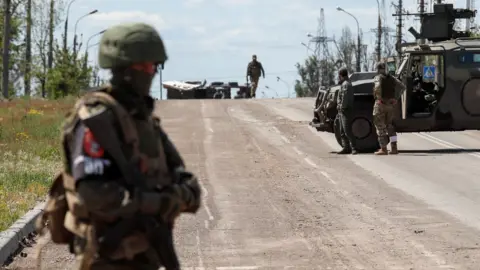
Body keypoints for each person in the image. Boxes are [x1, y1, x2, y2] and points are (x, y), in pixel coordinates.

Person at [37, 22, 202, 270]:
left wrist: (179, 195)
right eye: (143, 66)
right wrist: (157, 202)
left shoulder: (142, 119)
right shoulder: (97, 120)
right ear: (123, 68)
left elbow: (184, 179)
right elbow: (93, 195)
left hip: (146, 254)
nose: (151, 72)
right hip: (107, 257)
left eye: (153, 66)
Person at [372, 62, 406, 155]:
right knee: (390, 126)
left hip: (381, 104)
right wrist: (395, 98)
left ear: (378, 69)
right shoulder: (392, 78)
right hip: (390, 105)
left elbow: (378, 87)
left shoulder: (378, 78)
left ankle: (383, 149)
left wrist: (379, 98)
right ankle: (394, 148)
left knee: (380, 127)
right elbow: (402, 87)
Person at [336, 68, 357, 155]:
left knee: (347, 130)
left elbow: (345, 98)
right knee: (342, 131)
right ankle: (346, 147)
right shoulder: (344, 84)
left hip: (345, 110)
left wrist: (341, 106)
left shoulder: (346, 84)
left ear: (340, 75)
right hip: (342, 111)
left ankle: (354, 148)